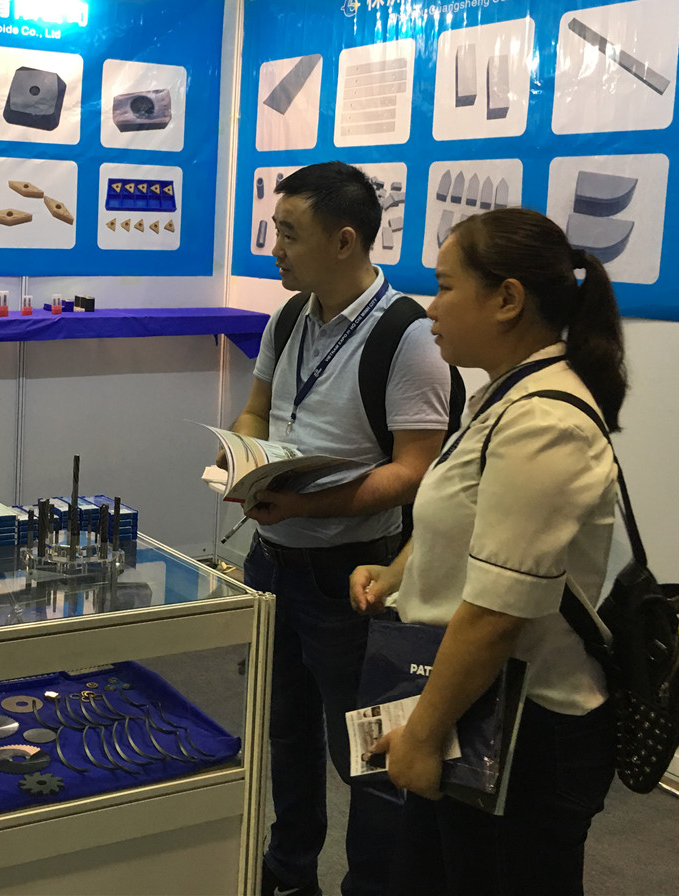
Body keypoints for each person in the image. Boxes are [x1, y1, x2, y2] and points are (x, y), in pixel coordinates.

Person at [351, 208, 625, 896]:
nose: (431, 308)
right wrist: (397, 572)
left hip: (524, 732)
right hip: (473, 707)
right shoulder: (501, 396)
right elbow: (465, 521)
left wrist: (422, 734)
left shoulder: (544, 422)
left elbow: (498, 613)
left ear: (507, 299)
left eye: (446, 287)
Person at [225, 162, 452, 896]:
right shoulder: (291, 315)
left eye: (290, 234)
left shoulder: (409, 337)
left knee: (366, 753)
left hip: (354, 578)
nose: (276, 250)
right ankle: (289, 873)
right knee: (283, 733)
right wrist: (243, 459)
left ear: (345, 240)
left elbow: (414, 471)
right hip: (272, 563)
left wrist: (305, 506)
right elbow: (257, 407)